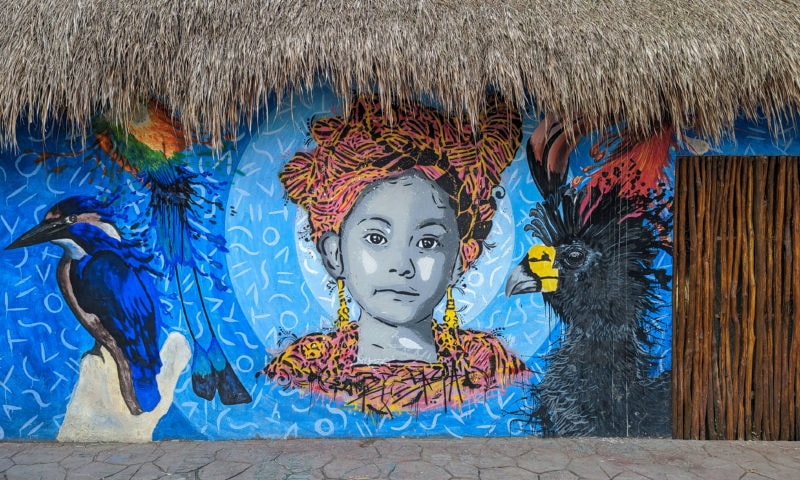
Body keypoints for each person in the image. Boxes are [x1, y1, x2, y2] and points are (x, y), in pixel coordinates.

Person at [259, 95, 527, 414]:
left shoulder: (490, 368)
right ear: (334, 255)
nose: (402, 266)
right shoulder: (303, 370)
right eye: (376, 237)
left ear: (459, 260)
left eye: (428, 242)